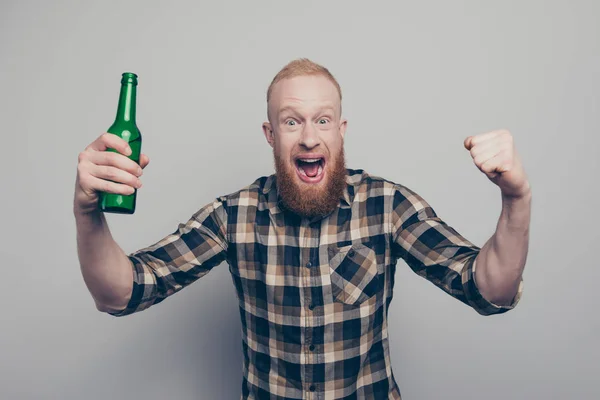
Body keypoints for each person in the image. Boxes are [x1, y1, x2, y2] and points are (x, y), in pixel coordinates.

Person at [74, 58, 531, 399]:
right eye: (291, 121)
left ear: (341, 130)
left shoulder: (388, 206)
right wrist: (87, 212)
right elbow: (122, 292)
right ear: (271, 134)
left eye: (323, 120)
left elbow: (490, 290)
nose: (309, 137)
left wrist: (516, 198)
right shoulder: (233, 216)